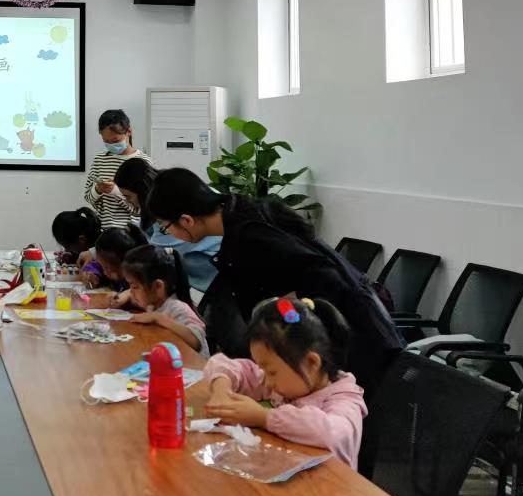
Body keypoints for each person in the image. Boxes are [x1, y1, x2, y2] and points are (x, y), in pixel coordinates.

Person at [144, 167, 403, 395]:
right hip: (344, 335)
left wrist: (290, 316)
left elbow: (323, 278)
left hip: (354, 343)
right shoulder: (244, 214)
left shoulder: (251, 235)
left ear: (186, 220)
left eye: (166, 227)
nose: (168, 234)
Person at [204, 297, 366, 469]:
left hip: (329, 483)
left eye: (272, 372)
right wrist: (221, 389)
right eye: (263, 369)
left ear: (311, 362)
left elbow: (332, 434)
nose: (267, 382)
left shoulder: (346, 400)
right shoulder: (285, 382)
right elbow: (223, 364)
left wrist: (264, 417)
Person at [113, 158, 221, 290]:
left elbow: (154, 254)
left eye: (128, 196)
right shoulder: (167, 188)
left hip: (214, 270)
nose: (128, 202)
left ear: (187, 221)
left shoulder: (166, 205)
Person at [121, 244, 208, 356]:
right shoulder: (153, 303)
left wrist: (158, 318)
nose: (131, 292)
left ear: (158, 287)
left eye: (134, 287)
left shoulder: (178, 308)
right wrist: (120, 299)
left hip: (191, 364)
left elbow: (196, 341)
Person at [83, 109, 153, 231]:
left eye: (115, 141)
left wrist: (116, 192)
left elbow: (144, 208)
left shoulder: (143, 162)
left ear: (128, 132)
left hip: (131, 232)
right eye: (106, 141)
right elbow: (88, 198)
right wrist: (98, 189)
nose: (111, 145)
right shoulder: (100, 160)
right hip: (103, 230)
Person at [87, 227, 148, 306]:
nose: (104, 272)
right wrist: (93, 273)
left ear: (125, 264)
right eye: (103, 267)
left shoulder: (144, 279)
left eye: (107, 268)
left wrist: (129, 294)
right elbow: (95, 265)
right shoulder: (111, 266)